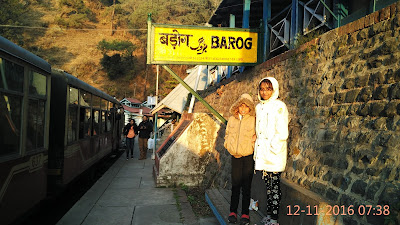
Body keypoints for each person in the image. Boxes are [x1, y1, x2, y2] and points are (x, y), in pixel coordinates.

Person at [254, 77, 289, 225]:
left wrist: (272, 147)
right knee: (268, 186)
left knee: (274, 187)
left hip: (274, 154)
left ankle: (274, 219)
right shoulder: (258, 107)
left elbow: (282, 132)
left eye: (268, 89)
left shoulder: (279, 106)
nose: (264, 92)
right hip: (263, 153)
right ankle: (269, 215)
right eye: (262, 89)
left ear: (274, 90)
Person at [224, 93, 256, 225]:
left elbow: (258, 134)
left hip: (248, 156)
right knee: (235, 184)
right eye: (241, 106)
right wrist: (227, 145)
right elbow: (227, 134)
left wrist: (253, 144)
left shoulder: (254, 119)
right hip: (235, 156)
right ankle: (232, 211)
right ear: (237, 107)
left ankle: (245, 213)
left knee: (246, 186)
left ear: (250, 108)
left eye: (246, 106)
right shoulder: (232, 119)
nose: (243, 109)